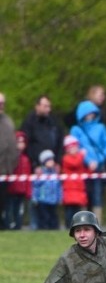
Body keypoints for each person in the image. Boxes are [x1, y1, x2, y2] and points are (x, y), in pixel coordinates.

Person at [71, 100, 106, 222]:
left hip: (98, 167)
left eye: (92, 113)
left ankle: (97, 221)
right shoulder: (76, 130)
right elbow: (75, 147)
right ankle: (82, 220)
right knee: (82, 194)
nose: (90, 115)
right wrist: (87, 161)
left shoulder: (101, 128)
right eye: (87, 113)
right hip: (82, 166)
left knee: (97, 194)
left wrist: (98, 160)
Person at [20, 94, 64, 168]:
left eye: (49, 106)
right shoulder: (29, 122)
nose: (48, 109)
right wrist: (34, 165)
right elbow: (27, 145)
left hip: (53, 165)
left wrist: (58, 162)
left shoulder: (54, 121)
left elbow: (60, 141)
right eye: (45, 106)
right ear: (37, 106)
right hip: (38, 167)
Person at [60, 135, 91, 229]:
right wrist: (82, 155)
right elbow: (75, 164)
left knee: (77, 210)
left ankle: (76, 226)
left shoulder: (78, 158)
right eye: (73, 147)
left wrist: (90, 170)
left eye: (76, 147)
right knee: (69, 209)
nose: (76, 149)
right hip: (70, 188)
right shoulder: (66, 158)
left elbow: (81, 171)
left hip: (79, 188)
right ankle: (68, 225)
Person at [5, 131, 32, 230]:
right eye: (18, 142)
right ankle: (8, 225)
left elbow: (28, 176)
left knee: (19, 210)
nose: (21, 144)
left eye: (22, 142)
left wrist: (28, 191)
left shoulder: (26, 159)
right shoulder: (10, 158)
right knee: (9, 209)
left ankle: (18, 226)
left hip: (21, 190)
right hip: (10, 190)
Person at [32, 149, 61, 230]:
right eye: (49, 160)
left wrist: (59, 198)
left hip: (53, 200)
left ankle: (54, 229)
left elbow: (58, 186)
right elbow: (35, 186)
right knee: (44, 216)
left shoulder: (55, 173)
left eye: (52, 160)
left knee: (53, 216)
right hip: (43, 199)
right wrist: (35, 198)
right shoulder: (40, 173)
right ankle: (43, 229)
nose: (52, 162)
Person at [0, 92, 17, 230]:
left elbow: (12, 145)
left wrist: (12, 165)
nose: (1, 105)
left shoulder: (8, 121)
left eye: (3, 103)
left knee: (3, 201)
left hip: (5, 170)